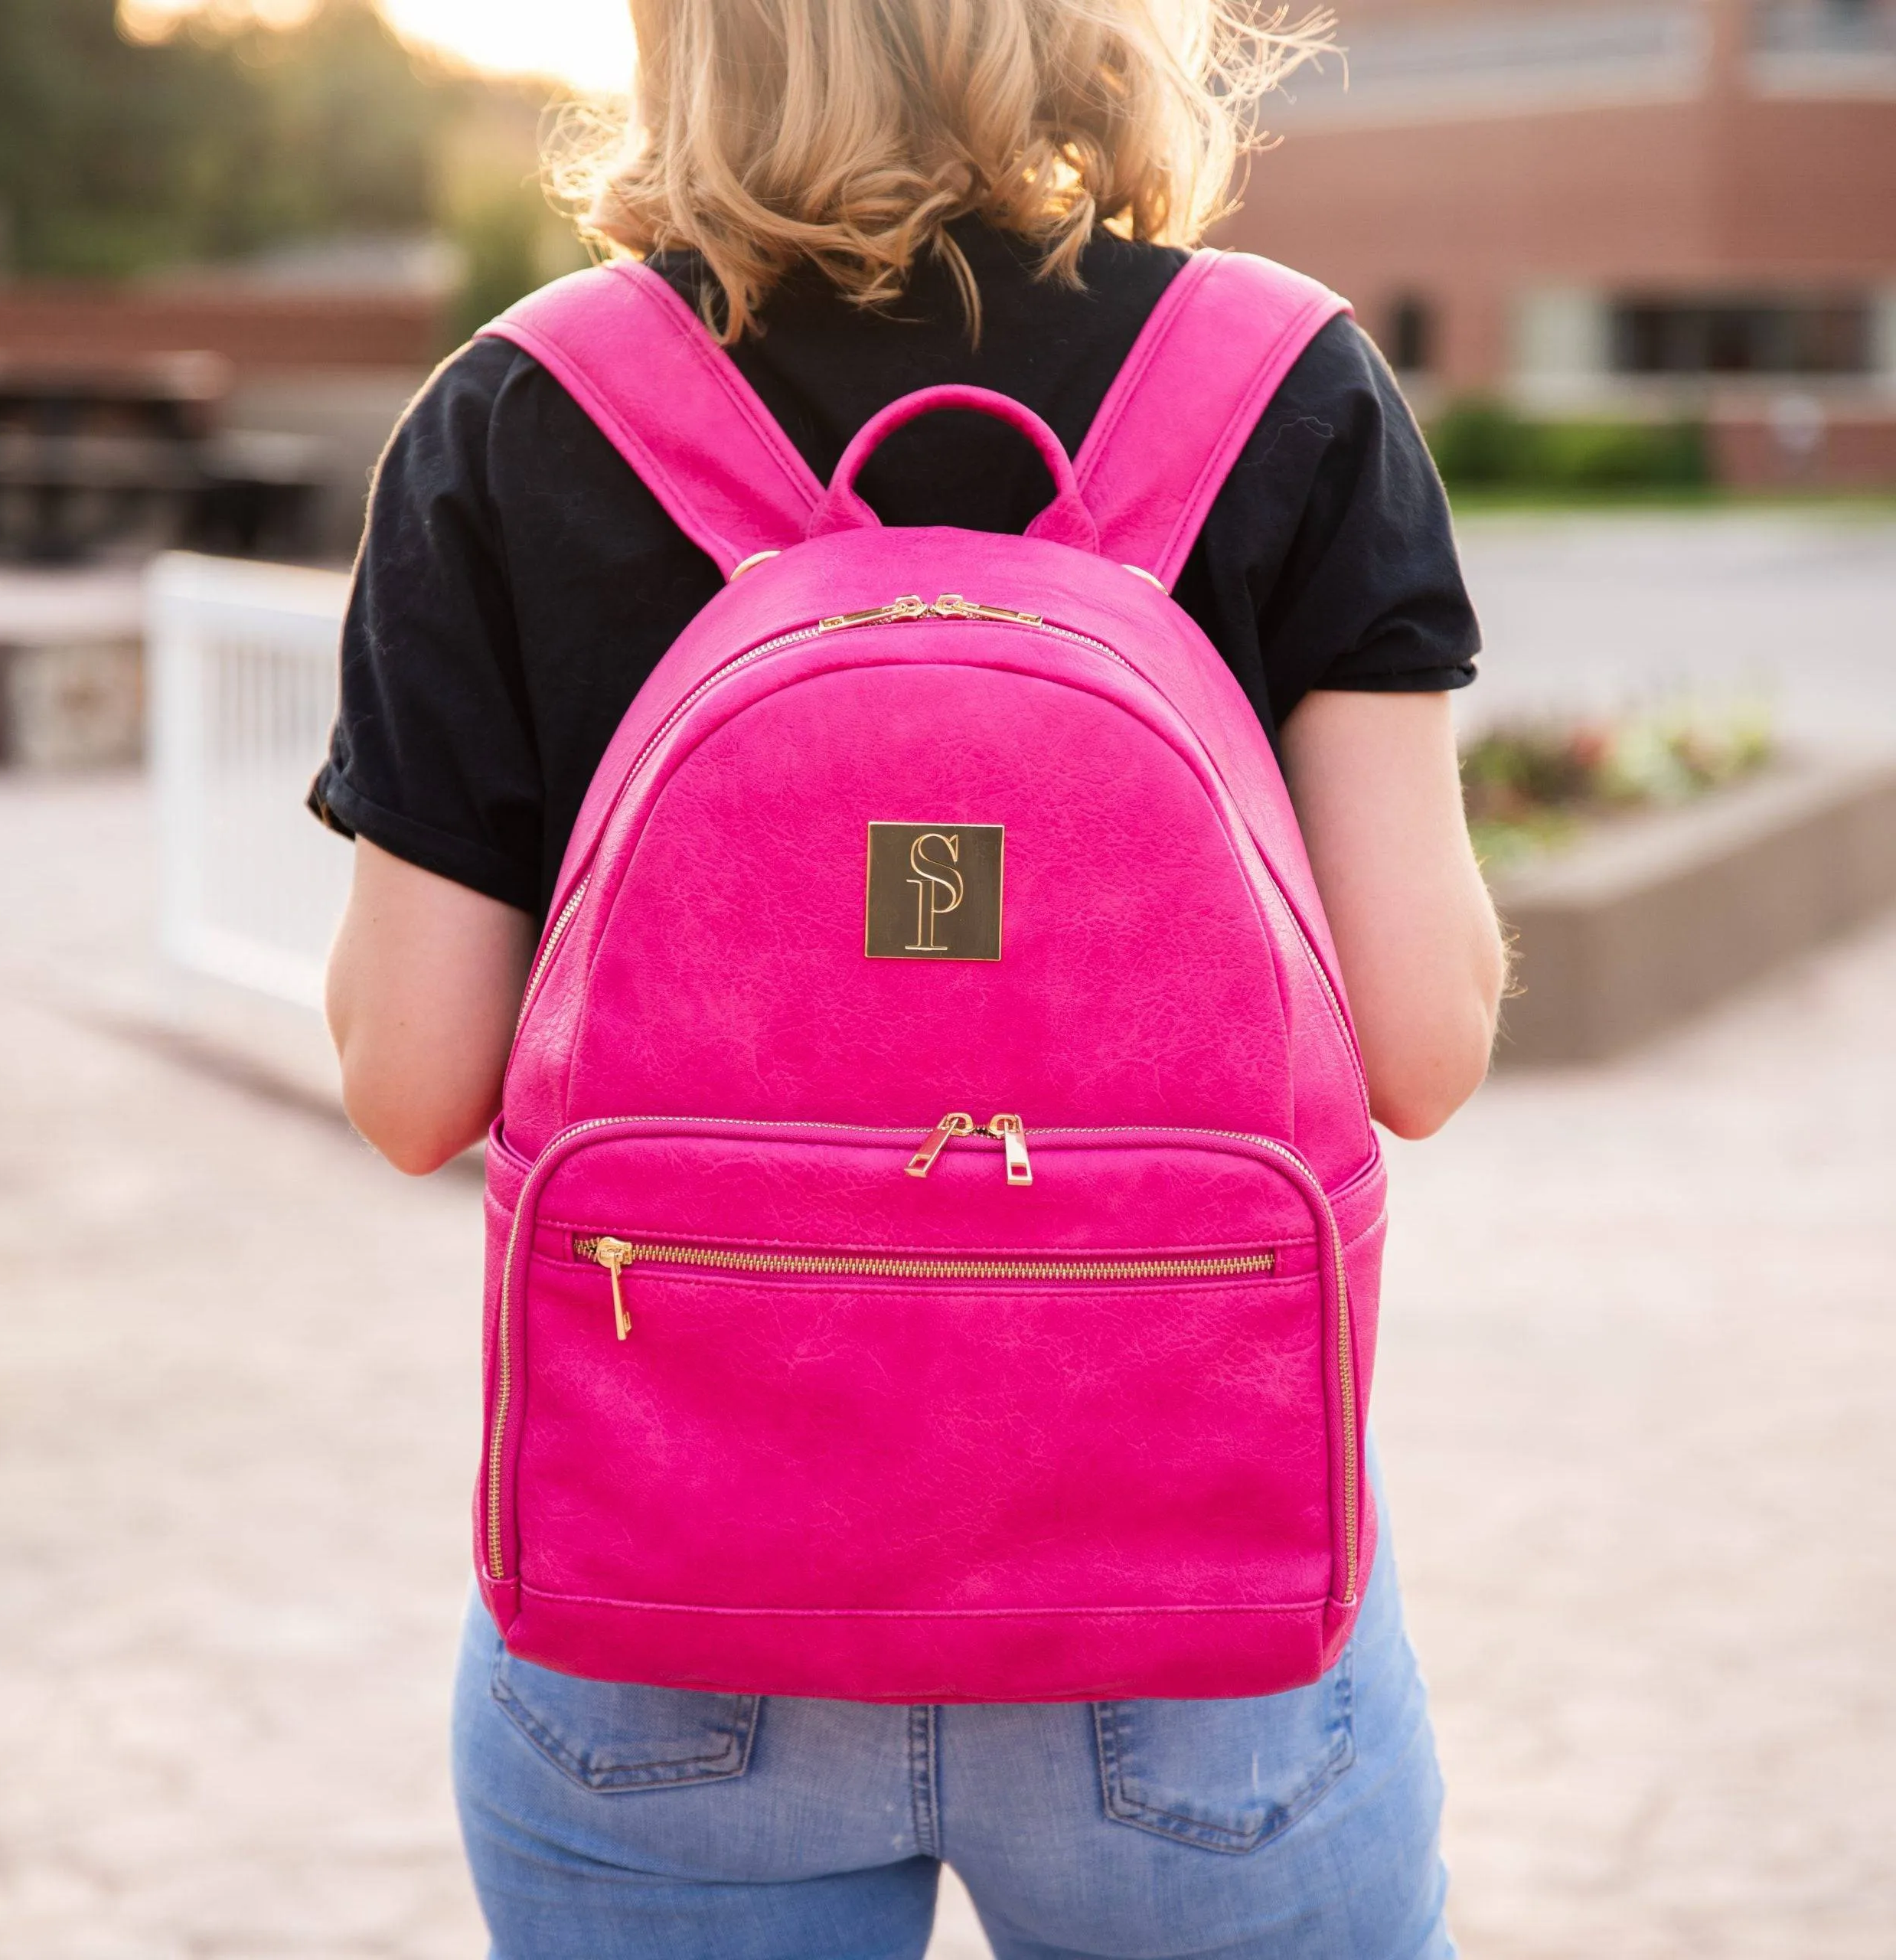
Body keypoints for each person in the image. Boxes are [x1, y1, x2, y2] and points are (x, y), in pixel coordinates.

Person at [311, 0, 1504, 1952]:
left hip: (669, 1592)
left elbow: (409, 1079)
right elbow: (1425, 1043)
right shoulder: (1278, 381)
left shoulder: (523, 410)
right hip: (1183, 1600)